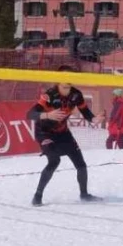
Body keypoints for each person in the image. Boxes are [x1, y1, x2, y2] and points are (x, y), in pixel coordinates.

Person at [27, 65, 105, 206]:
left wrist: (94, 120)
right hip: (44, 132)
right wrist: (47, 115)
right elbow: (30, 114)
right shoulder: (49, 95)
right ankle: (37, 196)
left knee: (81, 165)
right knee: (54, 161)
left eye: (71, 76)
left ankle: (84, 195)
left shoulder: (76, 95)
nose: (68, 79)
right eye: (65, 76)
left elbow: (85, 112)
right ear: (58, 79)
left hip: (63, 132)